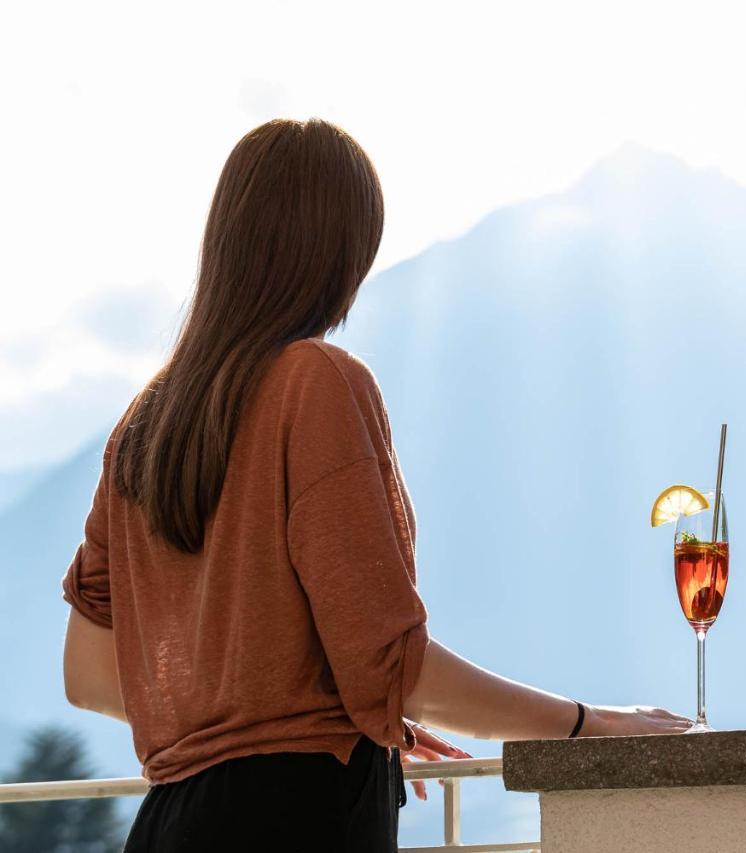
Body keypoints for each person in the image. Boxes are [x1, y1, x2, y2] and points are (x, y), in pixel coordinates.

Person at [59, 117, 691, 852]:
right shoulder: (316, 382)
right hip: (298, 817)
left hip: (169, 822)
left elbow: (89, 673)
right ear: (341, 251)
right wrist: (587, 721)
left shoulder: (145, 424)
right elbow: (393, 664)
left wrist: (302, 707)